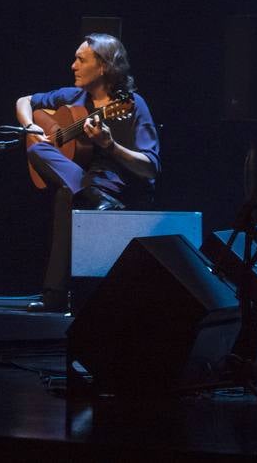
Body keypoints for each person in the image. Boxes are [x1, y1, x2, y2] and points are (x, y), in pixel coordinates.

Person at [15, 34, 160, 312]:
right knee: (36, 149)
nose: (73, 66)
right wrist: (30, 127)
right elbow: (25, 100)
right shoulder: (73, 97)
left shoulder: (131, 106)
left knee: (65, 195)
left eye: (81, 60)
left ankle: (55, 296)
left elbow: (150, 166)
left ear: (104, 66)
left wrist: (111, 146)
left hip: (117, 187)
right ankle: (91, 196)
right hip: (89, 186)